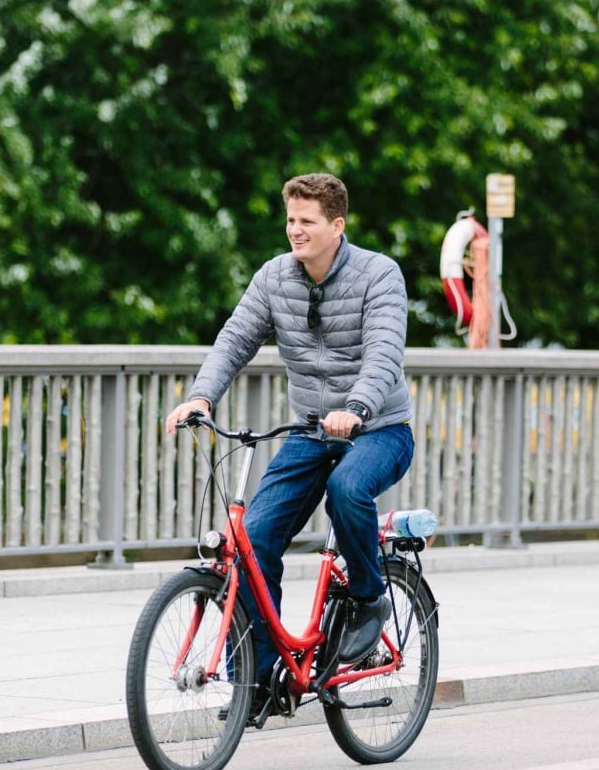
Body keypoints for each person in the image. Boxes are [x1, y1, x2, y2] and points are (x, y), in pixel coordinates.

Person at [165, 173, 414, 716]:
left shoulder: (379, 275)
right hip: (309, 432)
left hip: (380, 429)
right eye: (290, 219)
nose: (294, 230)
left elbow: (384, 352)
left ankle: (369, 601)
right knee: (252, 542)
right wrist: (202, 397)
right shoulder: (275, 277)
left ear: (337, 225)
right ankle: (256, 681)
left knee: (348, 489)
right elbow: (235, 338)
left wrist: (358, 409)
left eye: (307, 221)